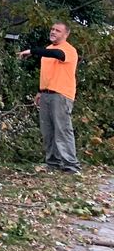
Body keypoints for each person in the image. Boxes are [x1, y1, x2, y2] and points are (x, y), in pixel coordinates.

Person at [18, 21, 80, 174]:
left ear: (66, 34)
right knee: (47, 130)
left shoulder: (68, 50)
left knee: (62, 130)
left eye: (58, 30)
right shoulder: (47, 50)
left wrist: (32, 51)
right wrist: (40, 91)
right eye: (52, 29)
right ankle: (53, 163)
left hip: (61, 95)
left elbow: (57, 55)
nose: (53, 32)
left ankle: (71, 166)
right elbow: (46, 73)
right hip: (46, 94)